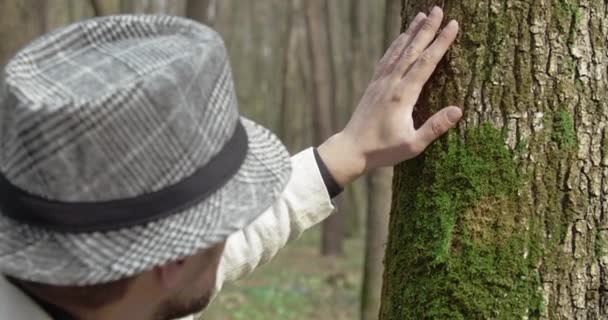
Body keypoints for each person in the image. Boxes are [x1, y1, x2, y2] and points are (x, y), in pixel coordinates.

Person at [0, 6, 461, 320]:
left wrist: (350, 151)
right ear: (173, 258)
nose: (236, 226)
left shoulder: (120, 291)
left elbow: (223, 250)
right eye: (230, 212)